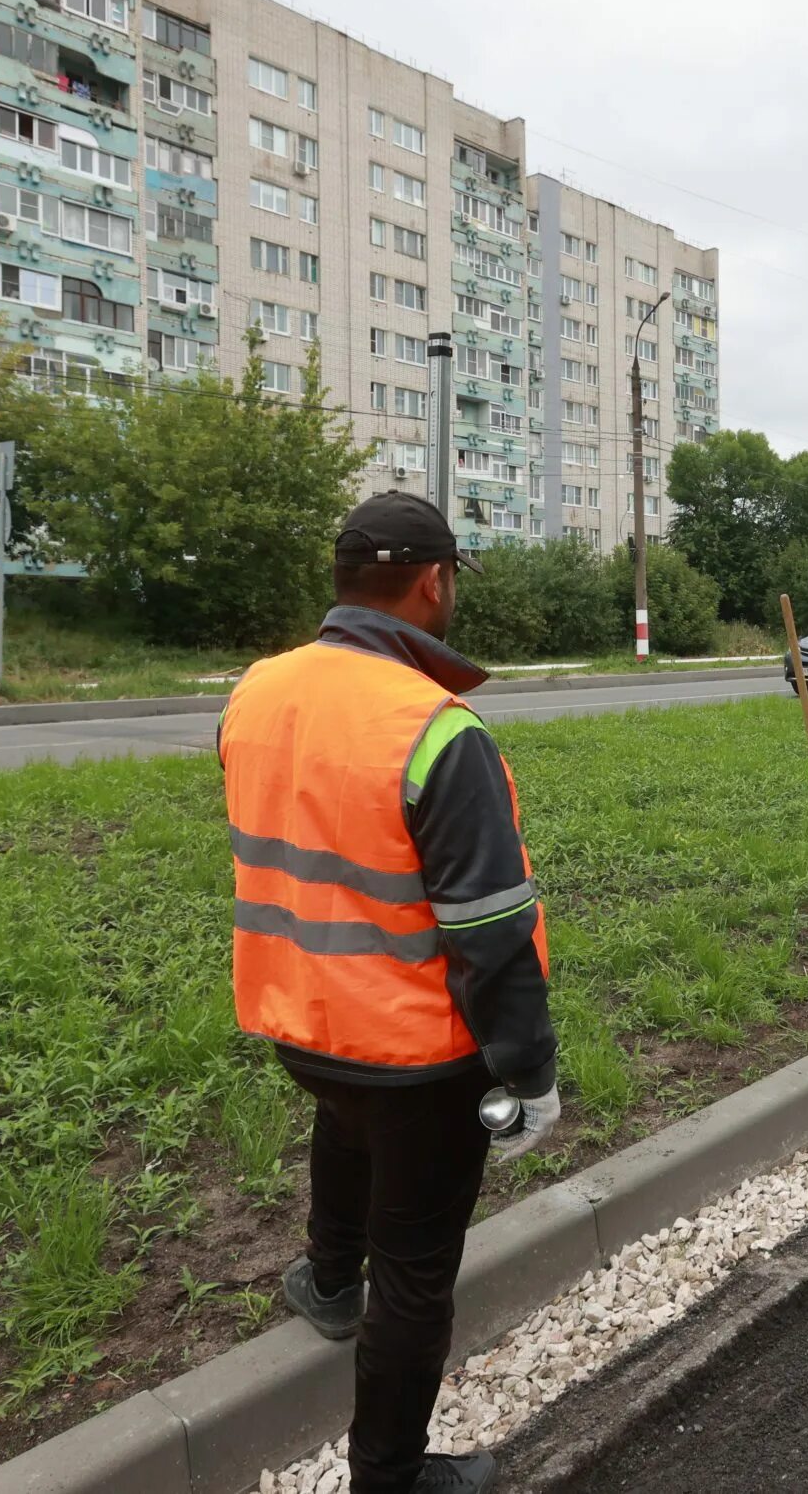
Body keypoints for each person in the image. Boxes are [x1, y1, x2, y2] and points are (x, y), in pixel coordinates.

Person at [219, 490, 558, 1494]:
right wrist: (528, 1072)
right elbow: (491, 932)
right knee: (414, 1267)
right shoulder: (437, 733)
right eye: (451, 582)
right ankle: (390, 1477)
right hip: (417, 1053)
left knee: (345, 1123)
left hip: (299, 1015)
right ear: (430, 581)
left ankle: (326, 1282)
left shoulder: (257, 692)